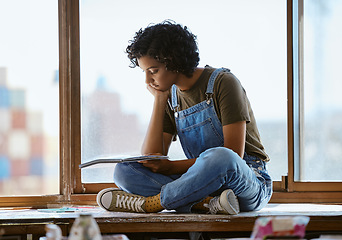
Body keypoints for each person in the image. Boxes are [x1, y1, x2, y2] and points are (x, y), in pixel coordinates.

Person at [96, 20, 272, 215]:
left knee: (220, 156)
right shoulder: (170, 96)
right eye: (144, 72)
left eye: (153, 71)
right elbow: (152, 156)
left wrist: (171, 168)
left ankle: (152, 204)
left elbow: (233, 155)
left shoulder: (224, 83)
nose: (147, 80)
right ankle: (204, 203)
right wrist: (160, 100)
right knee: (125, 171)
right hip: (204, 186)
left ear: (173, 61)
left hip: (247, 182)